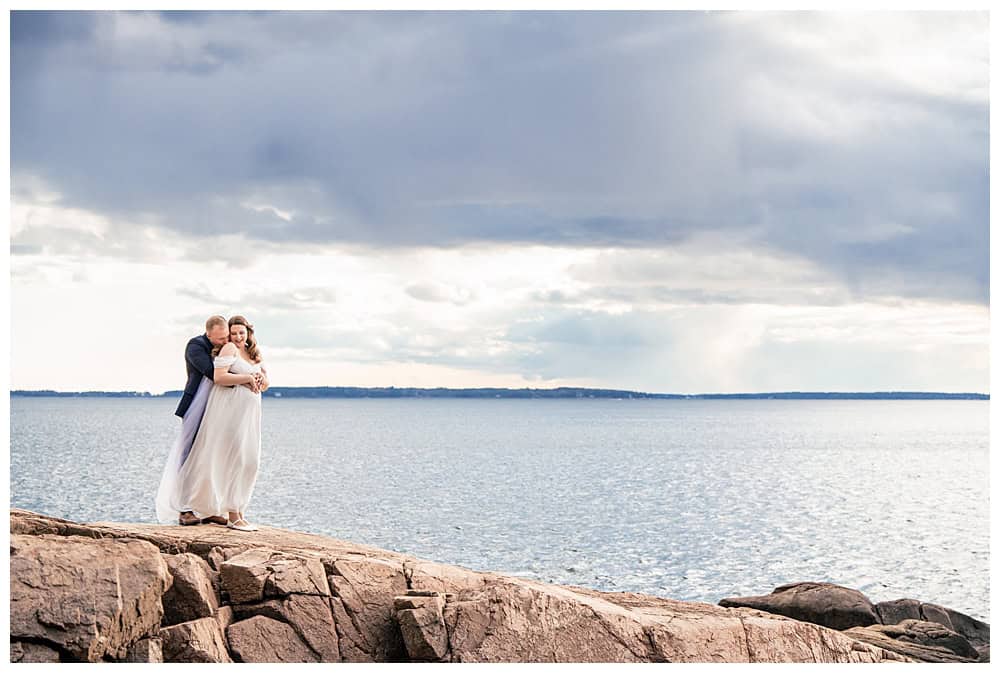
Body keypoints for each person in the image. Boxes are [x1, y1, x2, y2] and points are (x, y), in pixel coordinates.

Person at [155, 316, 262, 526]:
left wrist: (255, 374)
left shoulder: (232, 348)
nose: (225, 342)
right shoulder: (196, 346)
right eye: (222, 338)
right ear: (209, 333)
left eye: (227, 337)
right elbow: (214, 374)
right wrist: (248, 377)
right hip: (197, 404)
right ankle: (184, 509)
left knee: (213, 455)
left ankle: (207, 508)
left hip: (220, 407)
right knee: (190, 455)